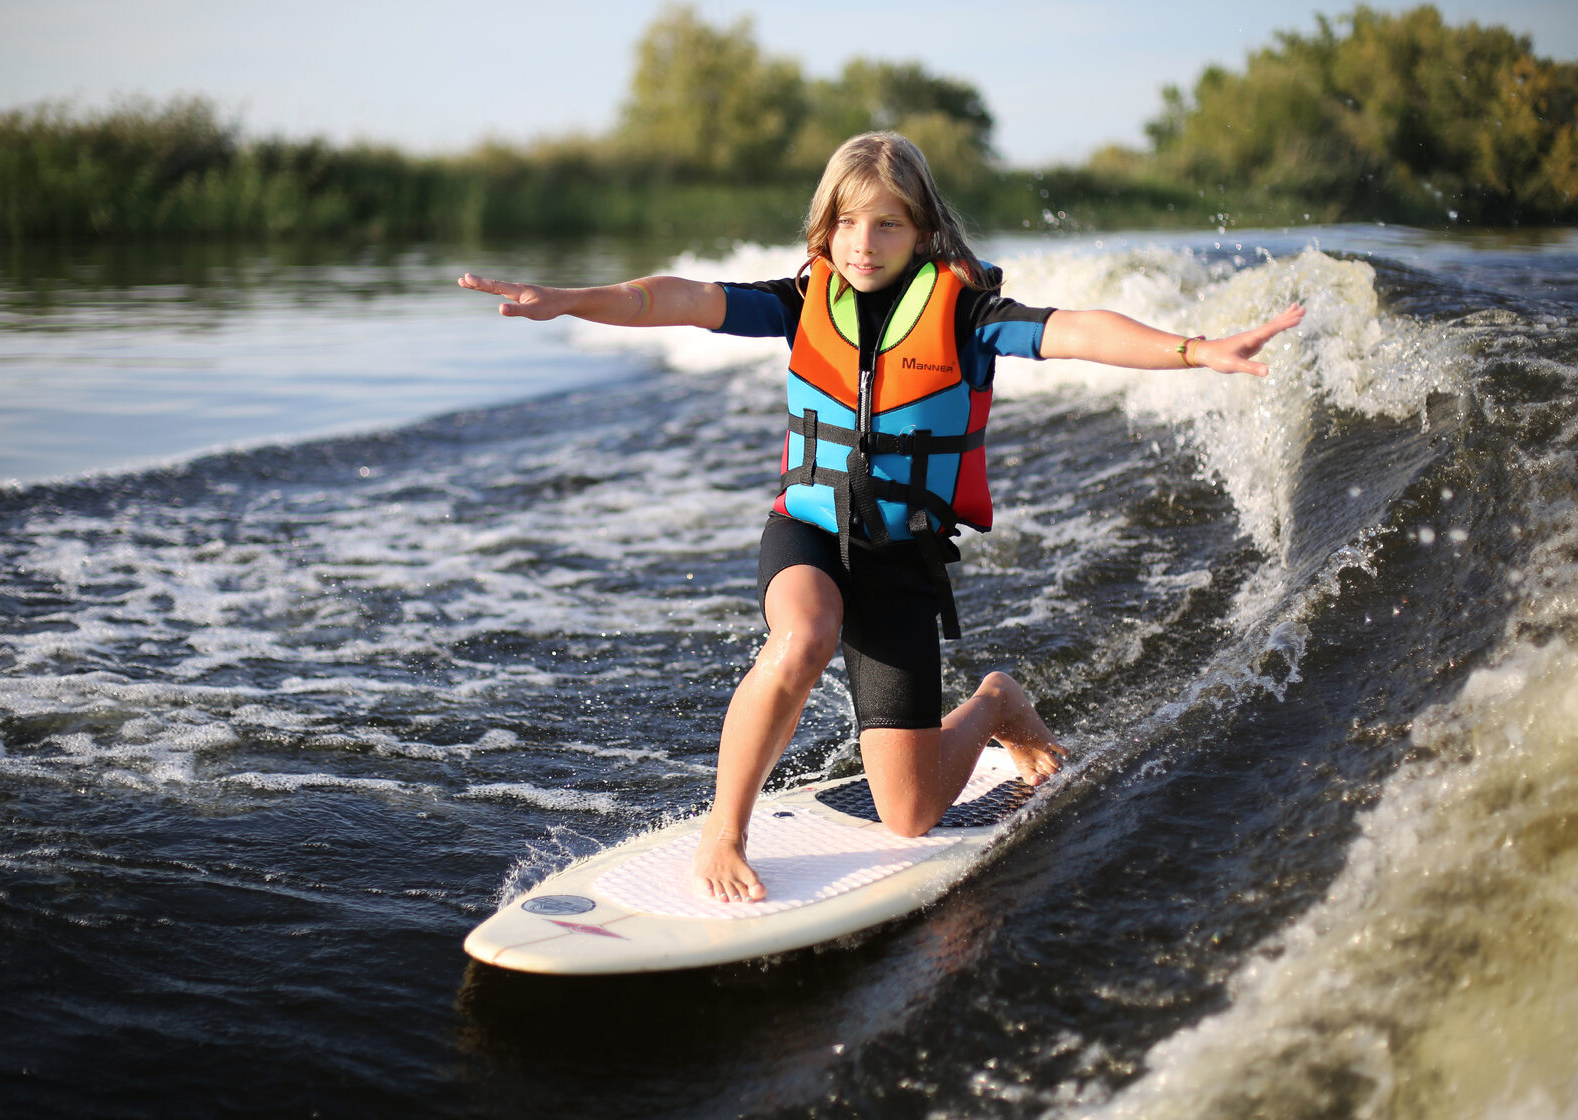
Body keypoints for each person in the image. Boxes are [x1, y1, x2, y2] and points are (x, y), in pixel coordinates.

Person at [459, 131, 1305, 904]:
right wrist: (570, 298)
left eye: (889, 225)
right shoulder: (798, 302)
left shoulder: (967, 315)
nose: (864, 244)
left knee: (909, 816)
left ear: (924, 231)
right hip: (810, 533)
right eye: (849, 223)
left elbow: (1076, 331)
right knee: (803, 636)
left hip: (901, 558)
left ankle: (994, 705)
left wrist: (1195, 351)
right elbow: (672, 301)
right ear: (825, 228)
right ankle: (727, 829)